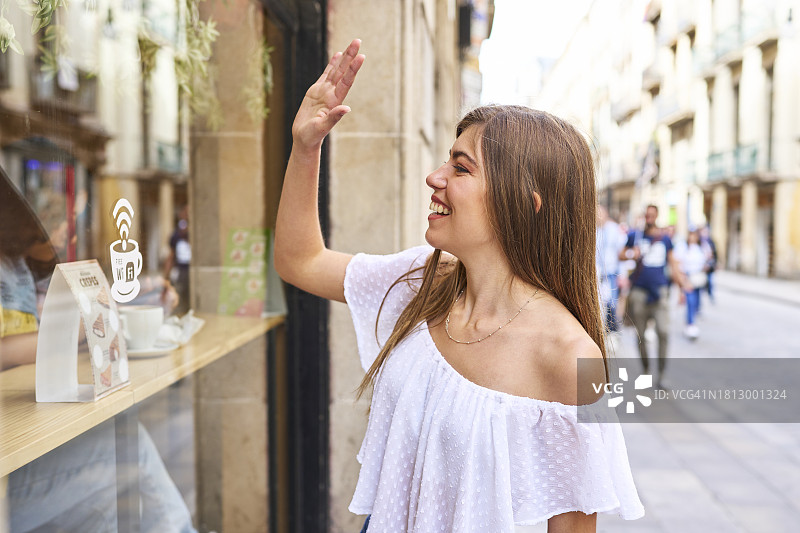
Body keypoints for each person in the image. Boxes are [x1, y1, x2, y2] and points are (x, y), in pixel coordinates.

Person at [274, 39, 644, 532]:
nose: (435, 177)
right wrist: (305, 146)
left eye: (461, 167)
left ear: (525, 203)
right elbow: (300, 260)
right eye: (447, 160)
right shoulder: (425, 281)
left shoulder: (571, 357)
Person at [0, 165, 196, 532]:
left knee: (107, 479)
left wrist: (130, 299)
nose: (63, 234)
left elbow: (37, 319)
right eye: (61, 224)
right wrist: (82, 327)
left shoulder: (19, 264)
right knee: (122, 447)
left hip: (21, 437)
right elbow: (12, 345)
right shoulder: (18, 263)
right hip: (11, 467)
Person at [619, 205, 690, 388]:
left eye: (652, 215)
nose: (649, 217)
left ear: (656, 216)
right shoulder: (635, 236)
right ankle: (645, 369)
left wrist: (682, 285)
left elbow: (673, 263)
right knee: (641, 335)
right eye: (647, 215)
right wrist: (630, 254)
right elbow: (620, 255)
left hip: (660, 292)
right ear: (644, 216)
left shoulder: (665, 239)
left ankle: (662, 373)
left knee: (663, 332)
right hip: (639, 292)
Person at [674, 228, 711, 339]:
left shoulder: (702, 246)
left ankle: (691, 320)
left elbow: (708, 258)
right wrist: (682, 279)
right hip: (688, 276)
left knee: (696, 301)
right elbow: (678, 262)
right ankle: (690, 324)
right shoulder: (683, 247)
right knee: (690, 300)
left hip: (698, 277)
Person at [595, 205, 625, 334]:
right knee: (600, 303)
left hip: (611, 273)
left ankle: (612, 330)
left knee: (612, 302)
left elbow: (621, 252)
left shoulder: (614, 230)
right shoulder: (594, 230)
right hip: (597, 274)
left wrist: (622, 274)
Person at [163, 206, 191, 314]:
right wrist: (167, 274)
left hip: (191, 269)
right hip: (181, 270)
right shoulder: (176, 234)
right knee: (180, 296)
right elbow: (171, 255)